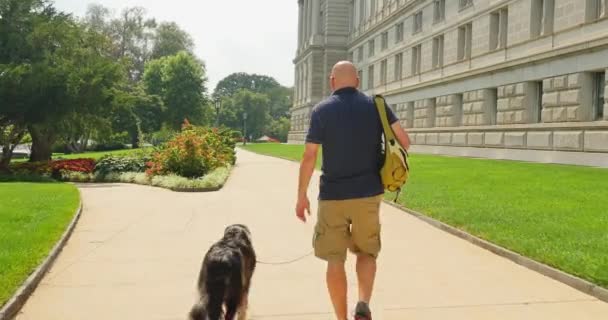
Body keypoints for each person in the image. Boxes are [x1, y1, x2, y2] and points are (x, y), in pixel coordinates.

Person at [295, 61, 411, 320]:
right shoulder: (376, 106)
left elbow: (309, 155)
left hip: (332, 196)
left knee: (335, 260)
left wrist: (301, 195)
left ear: (331, 81)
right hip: (368, 193)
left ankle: (341, 318)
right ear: (357, 80)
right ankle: (362, 302)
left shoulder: (321, 111)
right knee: (367, 252)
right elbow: (404, 141)